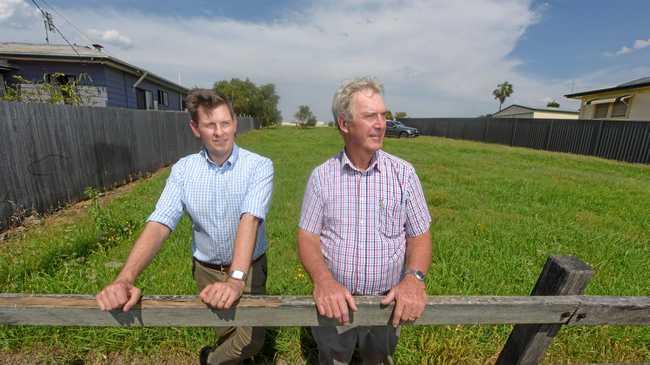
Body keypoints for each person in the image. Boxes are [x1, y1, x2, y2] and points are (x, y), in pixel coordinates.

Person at [96, 89, 273, 365]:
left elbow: (249, 218)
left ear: (235, 123)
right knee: (226, 330)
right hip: (207, 269)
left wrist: (237, 279)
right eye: (210, 125)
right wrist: (124, 278)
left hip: (249, 268)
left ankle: (210, 361)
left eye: (225, 123)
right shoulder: (183, 170)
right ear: (195, 128)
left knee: (251, 339)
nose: (219, 132)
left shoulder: (259, 166)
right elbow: (160, 222)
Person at [297, 77, 432, 364]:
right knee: (334, 357)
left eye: (384, 115)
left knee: (379, 359)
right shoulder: (322, 177)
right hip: (335, 302)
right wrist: (323, 281)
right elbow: (307, 237)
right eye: (370, 116)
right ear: (344, 124)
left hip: (387, 302)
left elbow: (419, 235)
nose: (381, 124)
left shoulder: (404, 174)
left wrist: (414, 279)